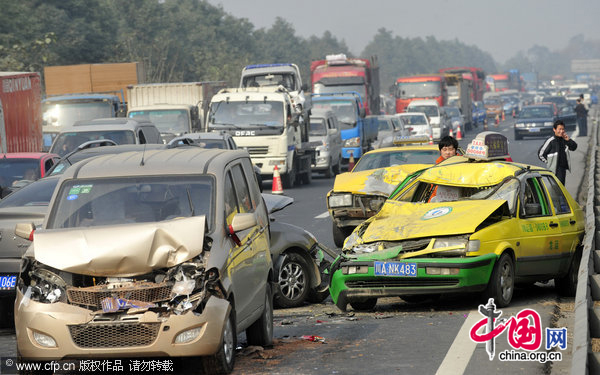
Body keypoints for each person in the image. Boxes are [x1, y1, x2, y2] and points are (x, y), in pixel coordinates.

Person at [538, 120, 577, 185]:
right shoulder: (551, 141)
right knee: (556, 188)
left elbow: (574, 147)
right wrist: (549, 162)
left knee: (561, 188)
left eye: (563, 129)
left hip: (562, 169)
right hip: (554, 170)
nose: (561, 131)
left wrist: (568, 140)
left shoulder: (565, 140)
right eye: (559, 129)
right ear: (554, 129)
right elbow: (540, 154)